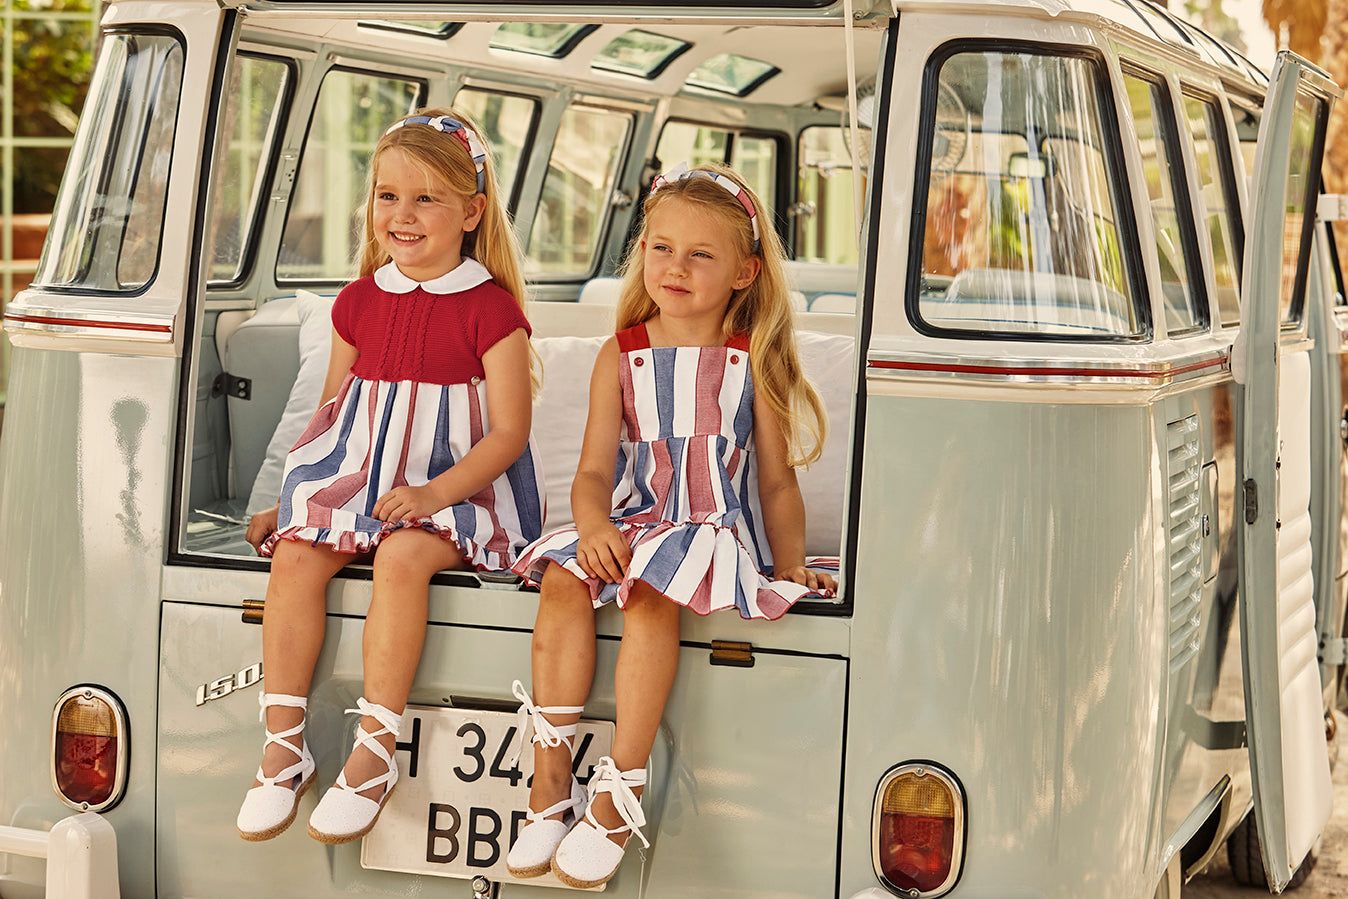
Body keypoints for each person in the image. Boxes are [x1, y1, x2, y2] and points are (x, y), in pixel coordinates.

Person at [505, 162, 835, 888]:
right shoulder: (620, 354)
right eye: (661, 247)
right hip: (631, 520)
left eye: (700, 254)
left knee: (651, 590)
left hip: (712, 530)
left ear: (745, 272)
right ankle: (549, 781)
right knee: (563, 576)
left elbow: (777, 481)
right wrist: (591, 527)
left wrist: (788, 564)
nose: (675, 267)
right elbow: (593, 472)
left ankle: (620, 791)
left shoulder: (756, 359)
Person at [235, 108, 543, 845]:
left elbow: (510, 432)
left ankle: (375, 751)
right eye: (387, 196)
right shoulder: (359, 300)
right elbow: (329, 410)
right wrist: (285, 497)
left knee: (403, 557)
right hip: (361, 480)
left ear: (472, 211)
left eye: (427, 198)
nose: (402, 216)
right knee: (299, 553)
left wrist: (436, 493)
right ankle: (284, 745)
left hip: (461, 492)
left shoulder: (491, 310)